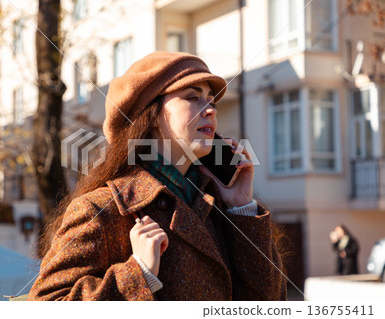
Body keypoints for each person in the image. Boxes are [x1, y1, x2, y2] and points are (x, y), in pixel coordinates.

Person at [28, 51, 287, 301]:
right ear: (151, 115)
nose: (210, 109)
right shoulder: (100, 210)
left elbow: (270, 304)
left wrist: (240, 206)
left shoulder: (219, 206)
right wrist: (139, 273)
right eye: (192, 97)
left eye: (211, 100)